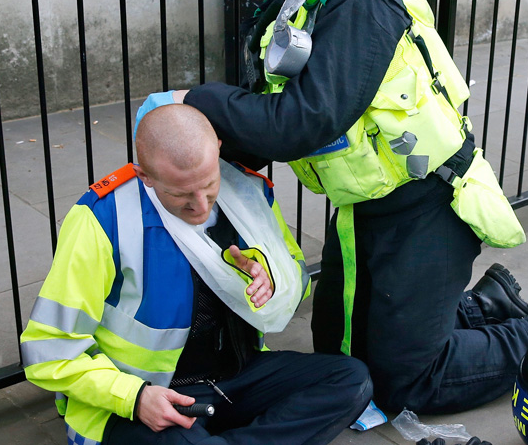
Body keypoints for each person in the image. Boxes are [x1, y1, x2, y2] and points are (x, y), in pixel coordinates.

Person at [175, 0, 528, 415]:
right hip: (365, 211)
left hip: (427, 206)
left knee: (407, 383)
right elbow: (266, 131)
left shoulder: (354, 2)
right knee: (341, 356)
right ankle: (486, 304)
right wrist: (189, 147)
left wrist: (199, 98)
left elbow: (301, 123)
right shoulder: (294, 10)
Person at [20, 103, 372, 445]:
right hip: (148, 397)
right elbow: (48, 349)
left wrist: (272, 279)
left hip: (235, 379)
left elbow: (296, 275)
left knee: (351, 380)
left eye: (208, 185)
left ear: (217, 150)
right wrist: (134, 397)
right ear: (144, 175)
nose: (201, 207)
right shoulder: (102, 218)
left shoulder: (249, 192)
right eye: (180, 194)